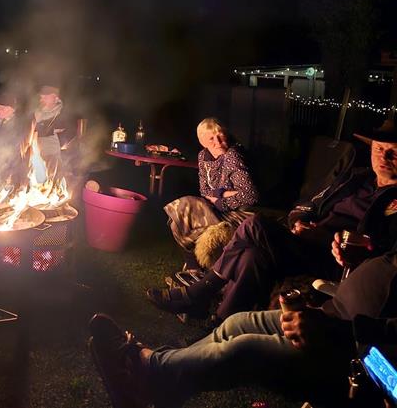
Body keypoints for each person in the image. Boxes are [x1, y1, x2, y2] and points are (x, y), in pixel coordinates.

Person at [89, 248, 397, 407]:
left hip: (361, 353)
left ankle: (149, 369)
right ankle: (160, 387)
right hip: (337, 315)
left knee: (243, 347)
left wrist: (339, 331)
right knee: (236, 323)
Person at [147, 128, 397, 321]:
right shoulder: (356, 178)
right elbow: (308, 203)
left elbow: (386, 251)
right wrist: (299, 220)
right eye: (379, 148)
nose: (383, 157)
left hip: (336, 259)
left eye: (393, 151)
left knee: (254, 224)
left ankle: (198, 293)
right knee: (252, 256)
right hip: (305, 242)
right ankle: (218, 325)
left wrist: (334, 238)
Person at [163, 117, 259, 271]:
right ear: (203, 142)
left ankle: (196, 267)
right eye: (212, 138)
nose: (219, 142)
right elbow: (204, 191)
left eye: (221, 136)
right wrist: (223, 193)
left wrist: (219, 199)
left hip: (238, 212)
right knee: (178, 217)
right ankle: (194, 266)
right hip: (215, 207)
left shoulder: (233, 156)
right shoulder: (203, 156)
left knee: (186, 206)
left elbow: (250, 195)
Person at [32, 84, 74, 173]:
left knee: (52, 175)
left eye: (45, 98)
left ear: (55, 98)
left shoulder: (63, 112)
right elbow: (31, 128)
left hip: (52, 152)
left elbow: (66, 129)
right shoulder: (37, 110)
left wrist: (46, 129)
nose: (41, 100)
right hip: (35, 151)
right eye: (41, 97)